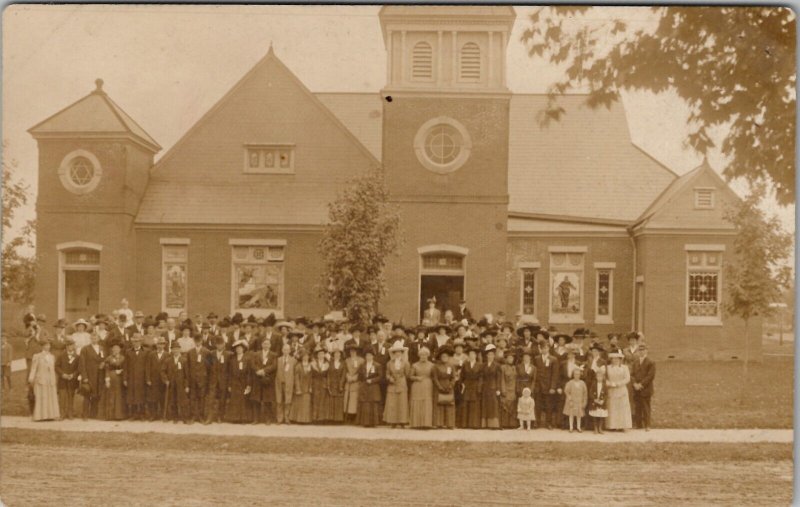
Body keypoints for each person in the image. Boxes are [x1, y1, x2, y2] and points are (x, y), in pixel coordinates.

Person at [28, 339, 60, 421]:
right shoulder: (37, 356)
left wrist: (54, 379)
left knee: (50, 397)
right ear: (42, 346)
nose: (47, 347)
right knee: (41, 397)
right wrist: (31, 378)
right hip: (40, 378)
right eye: (46, 345)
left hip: (50, 379)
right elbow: (34, 368)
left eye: (49, 345)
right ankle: (40, 416)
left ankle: (50, 416)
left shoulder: (52, 357)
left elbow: (52, 369)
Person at [249, 336, 277, 424]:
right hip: (257, 379)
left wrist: (264, 371)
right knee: (256, 400)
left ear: (270, 345)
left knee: (267, 400)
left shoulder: (273, 355)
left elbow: (274, 366)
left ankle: (268, 419)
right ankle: (256, 419)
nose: (266, 345)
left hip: (267, 379)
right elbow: (253, 364)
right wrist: (258, 371)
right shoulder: (256, 354)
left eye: (267, 344)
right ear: (261, 345)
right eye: (264, 344)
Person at [79, 332, 106, 420]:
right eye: (92, 338)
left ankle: (93, 414)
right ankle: (85, 414)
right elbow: (82, 364)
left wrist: (103, 363)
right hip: (89, 375)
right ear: (90, 339)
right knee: (87, 394)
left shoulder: (101, 348)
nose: (94, 340)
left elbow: (103, 359)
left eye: (96, 338)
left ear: (98, 339)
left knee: (97, 394)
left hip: (99, 375)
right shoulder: (85, 349)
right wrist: (84, 377)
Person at [383, 340, 410, 427]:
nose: (398, 354)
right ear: (394, 353)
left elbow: (407, 374)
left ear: (402, 353)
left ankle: (402, 422)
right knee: (392, 403)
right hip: (392, 385)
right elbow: (387, 374)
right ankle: (393, 422)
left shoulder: (406, 363)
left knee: (402, 403)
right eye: (396, 352)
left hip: (402, 384)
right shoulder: (389, 363)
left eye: (399, 352)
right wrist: (390, 378)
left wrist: (401, 377)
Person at [534, 340, 560, 430]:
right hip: (539, 386)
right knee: (537, 405)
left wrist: (553, 387)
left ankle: (549, 423)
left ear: (548, 348)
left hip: (548, 386)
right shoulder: (537, 358)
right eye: (543, 348)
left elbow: (555, 374)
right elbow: (535, 372)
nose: (544, 350)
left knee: (549, 405)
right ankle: (537, 422)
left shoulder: (553, 359)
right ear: (540, 349)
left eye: (546, 348)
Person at [206, 336, 231, 424]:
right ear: (216, 345)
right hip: (213, 381)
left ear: (224, 345)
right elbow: (208, 367)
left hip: (223, 381)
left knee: (222, 399)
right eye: (218, 344)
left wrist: (228, 383)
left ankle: (220, 417)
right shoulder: (211, 354)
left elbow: (230, 370)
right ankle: (210, 417)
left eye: (221, 344)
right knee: (211, 399)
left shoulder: (228, 355)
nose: (219, 346)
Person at [225, 340, 251, 423]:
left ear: (243, 349)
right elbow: (229, 372)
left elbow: (249, 373)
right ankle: (234, 418)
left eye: (240, 348)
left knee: (243, 400)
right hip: (234, 382)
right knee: (234, 400)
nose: (238, 350)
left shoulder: (247, 359)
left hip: (243, 382)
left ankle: (243, 418)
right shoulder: (232, 359)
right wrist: (229, 384)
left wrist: (248, 385)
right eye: (237, 349)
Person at [631, 343, 655, 431]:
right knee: (637, 406)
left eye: (643, 350)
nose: (641, 352)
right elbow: (632, 375)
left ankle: (647, 425)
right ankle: (638, 424)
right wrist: (634, 384)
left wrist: (641, 384)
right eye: (639, 350)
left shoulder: (651, 362)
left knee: (646, 407)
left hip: (645, 388)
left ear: (646, 351)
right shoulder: (635, 362)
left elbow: (650, 376)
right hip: (636, 388)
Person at [605, 352, 632, 431]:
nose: (615, 360)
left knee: (622, 407)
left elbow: (627, 378)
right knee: (612, 407)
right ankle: (612, 426)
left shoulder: (625, 367)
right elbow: (604, 378)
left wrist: (618, 384)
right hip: (611, 389)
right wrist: (610, 384)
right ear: (611, 359)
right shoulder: (608, 368)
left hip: (621, 389)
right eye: (613, 358)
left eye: (617, 358)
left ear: (620, 359)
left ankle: (622, 426)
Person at [164, 344, 190, 424]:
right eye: (174, 349)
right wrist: (166, 380)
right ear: (171, 350)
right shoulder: (168, 360)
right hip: (172, 384)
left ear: (180, 350)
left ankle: (184, 417)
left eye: (177, 349)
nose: (175, 351)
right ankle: (175, 417)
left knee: (183, 401)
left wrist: (186, 386)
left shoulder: (184, 360)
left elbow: (187, 375)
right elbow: (162, 371)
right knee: (173, 401)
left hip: (181, 384)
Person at [187, 334, 210, 424]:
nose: (198, 343)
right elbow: (187, 367)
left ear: (202, 341)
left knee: (202, 398)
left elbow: (210, 367)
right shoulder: (190, 352)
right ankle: (193, 416)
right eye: (196, 341)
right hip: (192, 379)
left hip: (203, 379)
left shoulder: (207, 352)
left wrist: (206, 378)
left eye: (199, 341)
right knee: (192, 398)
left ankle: (201, 416)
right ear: (194, 342)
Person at [409, 346, 434, 429]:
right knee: (417, 403)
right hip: (417, 386)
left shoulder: (432, 365)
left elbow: (434, 376)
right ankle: (416, 424)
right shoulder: (414, 365)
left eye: (425, 355)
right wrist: (417, 378)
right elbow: (410, 376)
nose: (423, 356)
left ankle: (426, 424)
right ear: (419, 355)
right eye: (422, 355)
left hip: (427, 386)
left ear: (428, 355)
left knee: (426, 403)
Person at [145, 337, 170, 421]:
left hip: (163, 380)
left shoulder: (167, 354)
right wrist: (148, 379)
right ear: (156, 345)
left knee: (163, 398)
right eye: (159, 344)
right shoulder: (151, 354)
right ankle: (153, 415)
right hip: (153, 379)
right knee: (153, 398)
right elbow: (147, 367)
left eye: (162, 344)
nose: (160, 346)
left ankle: (164, 415)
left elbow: (169, 368)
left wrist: (167, 379)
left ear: (164, 345)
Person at [125, 334, 148, 420]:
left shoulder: (146, 351)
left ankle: (142, 414)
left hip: (142, 377)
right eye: (134, 341)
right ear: (132, 342)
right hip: (131, 377)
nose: (136, 343)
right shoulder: (128, 352)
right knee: (133, 396)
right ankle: (134, 414)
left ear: (141, 342)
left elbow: (148, 366)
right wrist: (125, 379)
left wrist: (147, 378)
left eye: (138, 341)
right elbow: (125, 366)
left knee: (141, 396)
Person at [356, 348, 382, 427]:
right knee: (365, 404)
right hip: (365, 386)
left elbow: (380, 376)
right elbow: (360, 376)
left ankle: (373, 423)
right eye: (367, 356)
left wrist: (372, 380)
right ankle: (366, 422)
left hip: (373, 387)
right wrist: (362, 383)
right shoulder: (362, 365)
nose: (368, 357)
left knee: (373, 404)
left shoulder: (377, 365)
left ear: (373, 356)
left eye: (370, 356)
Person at [55, 339, 79, 419]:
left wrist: (73, 375)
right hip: (63, 380)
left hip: (72, 380)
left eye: (72, 345)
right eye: (68, 345)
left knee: (71, 396)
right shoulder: (61, 355)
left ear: (74, 346)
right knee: (62, 397)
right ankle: (62, 413)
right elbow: (56, 366)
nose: (70, 347)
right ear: (66, 346)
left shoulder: (77, 356)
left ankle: (70, 413)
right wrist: (62, 374)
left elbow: (79, 368)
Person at [432, 347, 456, 429]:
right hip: (439, 386)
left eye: (446, 356)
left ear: (448, 357)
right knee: (440, 404)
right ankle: (439, 423)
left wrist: (451, 385)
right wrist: (439, 387)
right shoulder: (436, 366)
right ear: (440, 357)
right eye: (443, 357)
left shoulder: (451, 366)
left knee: (449, 404)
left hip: (449, 386)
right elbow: (434, 378)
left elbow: (453, 377)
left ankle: (450, 424)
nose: (444, 358)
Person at [480, 344, 503, 429]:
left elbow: (499, 378)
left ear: (494, 356)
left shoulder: (497, 366)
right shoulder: (484, 365)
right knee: (485, 405)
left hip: (493, 387)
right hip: (485, 387)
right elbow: (482, 377)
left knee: (493, 406)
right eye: (489, 355)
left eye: (492, 355)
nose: (490, 356)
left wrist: (498, 389)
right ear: (486, 356)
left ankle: (494, 424)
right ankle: (485, 424)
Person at [461, 346, 482, 429]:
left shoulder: (479, 365)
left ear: (476, 356)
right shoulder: (465, 364)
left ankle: (474, 424)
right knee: (466, 403)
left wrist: (479, 387)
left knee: (474, 404)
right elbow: (462, 376)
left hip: (475, 385)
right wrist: (462, 384)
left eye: (473, 354)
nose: (471, 356)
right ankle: (464, 424)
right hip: (467, 385)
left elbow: (481, 377)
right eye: (470, 354)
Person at [275, 343, 296, 424]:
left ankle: (287, 418)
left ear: (290, 351)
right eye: (284, 349)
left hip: (289, 383)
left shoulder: (293, 360)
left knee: (288, 401)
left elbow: (294, 373)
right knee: (279, 401)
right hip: (279, 383)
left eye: (287, 350)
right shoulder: (278, 360)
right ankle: (279, 419)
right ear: (282, 350)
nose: (286, 351)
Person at [104, 343, 126, 420]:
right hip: (111, 378)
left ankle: (119, 416)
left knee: (119, 397)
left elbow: (126, 368)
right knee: (111, 396)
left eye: (117, 349)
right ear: (112, 350)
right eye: (114, 349)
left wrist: (121, 371)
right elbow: (106, 369)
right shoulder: (108, 358)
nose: (116, 350)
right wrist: (107, 379)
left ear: (120, 350)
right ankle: (110, 416)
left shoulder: (123, 358)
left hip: (119, 379)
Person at [290, 349, 313, 424]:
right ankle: (298, 419)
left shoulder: (311, 365)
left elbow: (312, 377)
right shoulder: (298, 366)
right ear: (302, 357)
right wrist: (298, 388)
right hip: (300, 387)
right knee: (299, 404)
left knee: (306, 404)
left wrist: (310, 387)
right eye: (304, 356)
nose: (305, 358)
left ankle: (306, 420)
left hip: (307, 388)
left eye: (307, 356)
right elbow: (296, 378)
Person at [343, 344, 363, 424]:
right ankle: (347, 417)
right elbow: (345, 370)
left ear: (356, 352)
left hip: (356, 382)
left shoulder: (361, 360)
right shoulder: (347, 360)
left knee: (354, 400)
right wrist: (348, 376)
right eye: (351, 351)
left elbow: (361, 371)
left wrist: (355, 377)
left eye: (354, 351)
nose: (352, 353)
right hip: (348, 381)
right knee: (347, 399)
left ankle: (354, 417)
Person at [563, 367, 588, 432]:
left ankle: (578, 427)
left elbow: (585, 393)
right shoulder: (570, 383)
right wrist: (570, 400)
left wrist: (584, 402)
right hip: (572, 401)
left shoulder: (582, 383)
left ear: (580, 375)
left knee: (578, 415)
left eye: (578, 374)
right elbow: (566, 391)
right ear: (573, 375)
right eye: (575, 374)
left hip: (579, 401)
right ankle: (571, 427)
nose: (577, 376)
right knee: (571, 414)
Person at [310, 347, 330, 423]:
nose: (321, 355)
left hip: (323, 383)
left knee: (322, 400)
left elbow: (328, 375)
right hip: (315, 383)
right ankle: (314, 418)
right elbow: (311, 375)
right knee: (315, 400)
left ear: (324, 355)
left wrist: (327, 384)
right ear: (317, 355)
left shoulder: (327, 364)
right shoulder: (313, 364)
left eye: (322, 354)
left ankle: (321, 418)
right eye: (319, 354)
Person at [326, 348, 346, 423]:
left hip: (339, 384)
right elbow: (328, 374)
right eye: (335, 354)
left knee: (338, 401)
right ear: (333, 355)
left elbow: (344, 375)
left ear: (340, 355)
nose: (337, 355)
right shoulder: (330, 363)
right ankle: (331, 419)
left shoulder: (343, 363)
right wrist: (328, 384)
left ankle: (338, 419)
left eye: (338, 354)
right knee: (331, 401)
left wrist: (341, 384)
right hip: (331, 383)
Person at [499, 352, 518, 428]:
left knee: (512, 406)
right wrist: (503, 390)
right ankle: (504, 424)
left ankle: (512, 424)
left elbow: (516, 380)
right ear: (506, 359)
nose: (511, 359)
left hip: (513, 389)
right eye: (509, 358)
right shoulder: (502, 367)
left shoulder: (514, 367)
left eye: (512, 358)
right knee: (505, 405)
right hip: (506, 388)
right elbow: (502, 379)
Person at [588, 366, 608, 434]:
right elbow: (590, 392)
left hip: (602, 403)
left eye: (601, 377)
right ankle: (595, 428)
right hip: (595, 402)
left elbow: (606, 394)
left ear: (603, 377)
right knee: (595, 416)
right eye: (598, 376)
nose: (599, 378)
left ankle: (600, 428)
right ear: (596, 377)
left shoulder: (605, 385)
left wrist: (603, 401)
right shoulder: (594, 384)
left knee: (601, 416)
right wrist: (594, 399)